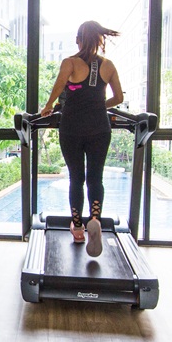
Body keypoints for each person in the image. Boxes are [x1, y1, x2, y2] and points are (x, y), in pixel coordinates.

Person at [40, 20, 124, 256]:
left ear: (78, 39)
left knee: (76, 178)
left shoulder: (70, 62)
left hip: (72, 128)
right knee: (95, 178)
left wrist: (48, 106)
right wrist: (97, 105)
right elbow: (118, 98)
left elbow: (59, 86)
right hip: (100, 128)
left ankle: (77, 228)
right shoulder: (108, 65)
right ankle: (94, 219)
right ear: (99, 40)